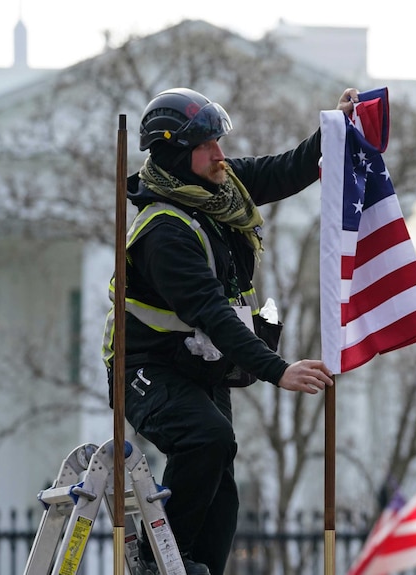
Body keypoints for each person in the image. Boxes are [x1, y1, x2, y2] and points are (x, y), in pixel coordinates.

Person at [103, 86, 358, 575]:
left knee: (222, 487)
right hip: (143, 368)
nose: (221, 156)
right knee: (206, 438)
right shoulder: (163, 232)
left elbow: (285, 169)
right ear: (177, 154)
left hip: (198, 367)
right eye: (207, 147)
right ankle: (159, 564)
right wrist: (277, 371)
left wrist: (336, 128)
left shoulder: (218, 189)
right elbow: (213, 314)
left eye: (220, 144)